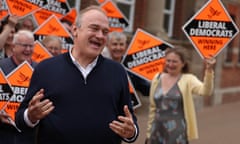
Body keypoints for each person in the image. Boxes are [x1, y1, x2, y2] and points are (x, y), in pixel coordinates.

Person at [15, 5, 139, 144]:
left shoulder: (117, 72)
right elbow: (21, 119)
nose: (100, 36)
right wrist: (31, 116)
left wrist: (131, 132)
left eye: (105, 32)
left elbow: (129, 121)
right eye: (94, 28)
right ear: (75, 30)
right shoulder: (46, 68)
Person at [145, 47, 216, 144]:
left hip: (177, 132)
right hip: (157, 130)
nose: (170, 64)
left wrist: (209, 71)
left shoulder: (188, 79)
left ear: (183, 63)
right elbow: (153, 108)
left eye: (174, 62)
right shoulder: (157, 78)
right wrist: (149, 133)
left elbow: (206, 91)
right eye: (168, 61)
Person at [0, 29, 37, 144]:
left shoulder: (40, 69)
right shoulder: (1, 66)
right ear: (13, 46)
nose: (28, 49)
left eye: (31, 46)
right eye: (24, 45)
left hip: (29, 133)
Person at [103, 31, 150, 96]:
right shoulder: (100, 64)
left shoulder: (131, 66)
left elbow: (146, 89)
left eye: (121, 44)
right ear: (107, 45)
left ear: (125, 46)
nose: (118, 48)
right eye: (114, 44)